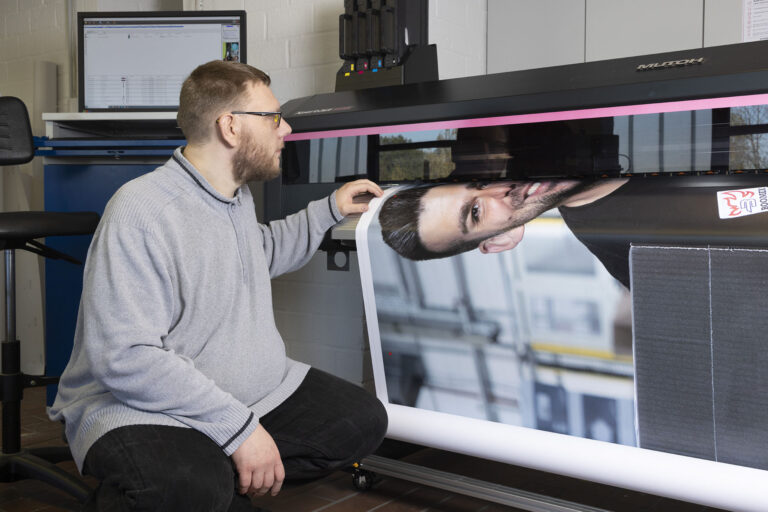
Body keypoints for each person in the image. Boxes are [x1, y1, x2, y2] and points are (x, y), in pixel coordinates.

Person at [49, 60, 387, 511]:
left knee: (361, 421)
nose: (284, 128)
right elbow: (124, 358)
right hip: (138, 406)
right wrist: (239, 429)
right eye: (272, 117)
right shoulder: (143, 211)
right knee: (185, 488)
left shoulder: (233, 195)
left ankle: (213, 477)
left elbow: (256, 252)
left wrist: (328, 209)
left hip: (248, 392)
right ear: (230, 126)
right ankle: (202, 481)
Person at [379, 175, 768, 288]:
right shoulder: (637, 263)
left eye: (476, 180)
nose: (500, 189)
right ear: (498, 240)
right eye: (477, 212)